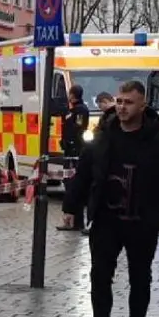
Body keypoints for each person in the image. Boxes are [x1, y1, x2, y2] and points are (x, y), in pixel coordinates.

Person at [62, 80, 159, 317]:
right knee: (100, 277)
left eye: (128, 102)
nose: (121, 107)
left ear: (143, 105)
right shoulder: (103, 137)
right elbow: (84, 173)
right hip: (106, 220)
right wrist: (71, 207)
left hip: (143, 221)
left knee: (140, 279)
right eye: (119, 101)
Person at [56, 85, 92, 232]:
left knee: (73, 185)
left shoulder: (81, 110)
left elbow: (78, 128)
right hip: (69, 150)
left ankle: (76, 222)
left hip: (75, 152)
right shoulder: (70, 110)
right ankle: (74, 221)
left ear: (73, 95)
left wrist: (71, 142)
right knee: (69, 184)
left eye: (69, 94)